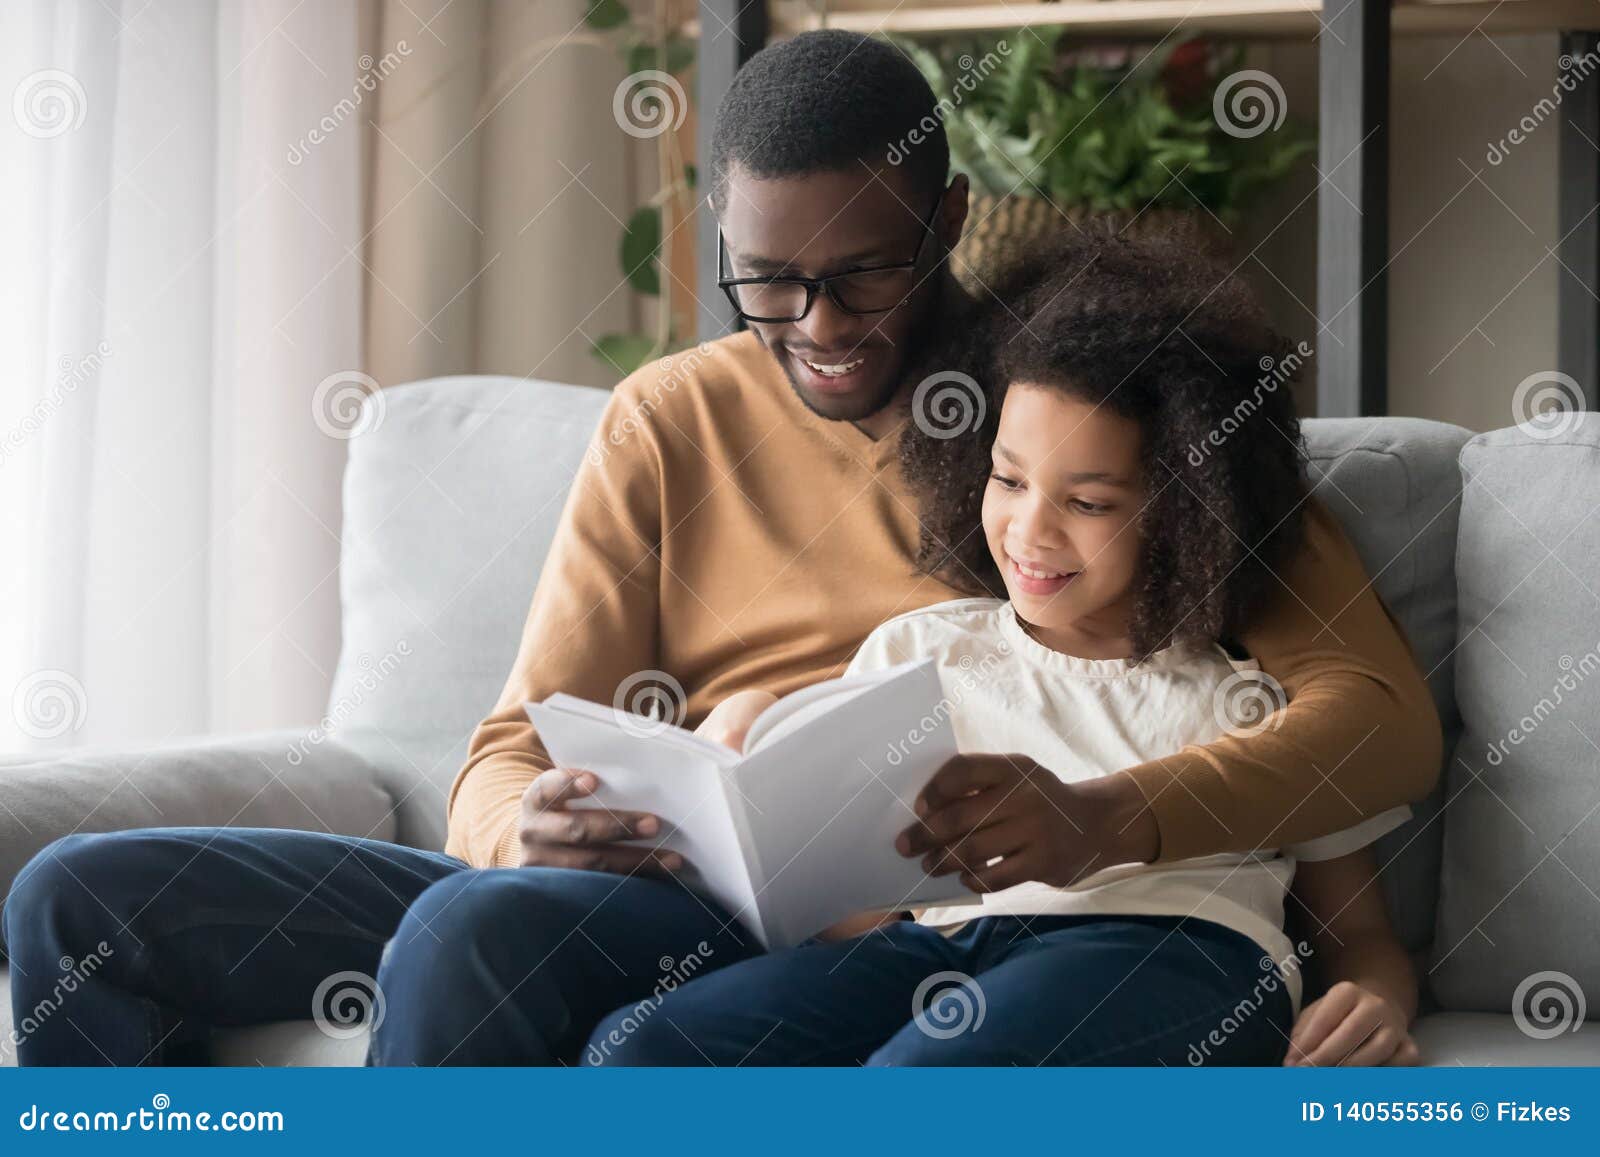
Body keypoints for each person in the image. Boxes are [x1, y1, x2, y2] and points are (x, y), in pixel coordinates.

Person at [4, 30, 1437, 1068]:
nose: (817, 323)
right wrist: (532, 823)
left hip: (888, 917)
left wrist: (1119, 826)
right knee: (74, 898)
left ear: (944, 225)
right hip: (649, 887)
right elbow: (503, 752)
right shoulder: (671, 418)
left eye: (863, 271)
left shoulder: (1082, 412)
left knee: (471, 942)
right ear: (724, 242)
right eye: (769, 281)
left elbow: (1370, 728)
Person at [583, 230, 1423, 1066]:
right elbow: (856, 916)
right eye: (1009, 479)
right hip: (942, 951)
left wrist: (1378, 997)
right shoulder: (919, 652)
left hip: (1174, 948)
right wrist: (748, 764)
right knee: (638, 1050)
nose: (1029, 531)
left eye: (1088, 503)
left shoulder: (1252, 696)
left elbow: (1356, 929)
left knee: (920, 1081)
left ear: (1188, 512)